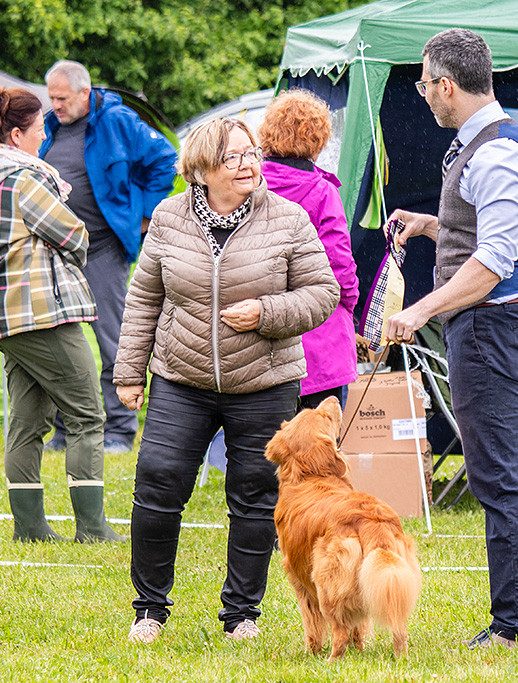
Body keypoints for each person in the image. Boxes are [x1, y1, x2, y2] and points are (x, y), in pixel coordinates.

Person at [114, 117, 339, 644]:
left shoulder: (287, 218)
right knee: (158, 483)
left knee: (255, 495)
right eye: (234, 157)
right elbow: (144, 298)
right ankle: (149, 609)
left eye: (251, 154)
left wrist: (265, 312)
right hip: (181, 377)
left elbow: (322, 292)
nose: (248, 165)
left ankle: (241, 615)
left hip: (264, 380)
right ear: (202, 168)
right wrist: (128, 371)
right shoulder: (169, 217)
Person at [383, 29, 518, 649]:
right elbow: (478, 233)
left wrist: (416, 311)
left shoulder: (496, 152)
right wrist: (433, 225)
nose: (425, 95)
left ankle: (515, 625)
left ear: (447, 85)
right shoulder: (482, 144)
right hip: (494, 328)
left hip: (494, 327)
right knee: (509, 472)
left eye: (427, 85)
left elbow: (493, 264)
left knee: (498, 476)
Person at [0, 85, 125, 544]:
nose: (42, 137)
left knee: (27, 423)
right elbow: (74, 235)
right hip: (43, 311)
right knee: (87, 415)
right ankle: (92, 528)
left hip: (6, 315)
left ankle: (30, 529)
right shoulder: (23, 181)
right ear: (15, 136)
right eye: (37, 130)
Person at [40, 60, 177, 454]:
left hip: (103, 249)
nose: (56, 105)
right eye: (51, 98)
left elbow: (166, 160)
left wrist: (147, 214)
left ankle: (119, 429)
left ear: (84, 93)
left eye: (62, 98)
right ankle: (67, 430)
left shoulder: (118, 120)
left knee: (112, 342)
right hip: (60, 253)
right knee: (62, 343)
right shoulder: (50, 127)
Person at [258, 89, 359, 409]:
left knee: (261, 442)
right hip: (318, 331)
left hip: (259, 326)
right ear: (318, 140)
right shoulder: (322, 192)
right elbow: (339, 263)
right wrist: (350, 304)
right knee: (318, 443)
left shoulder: (247, 184)